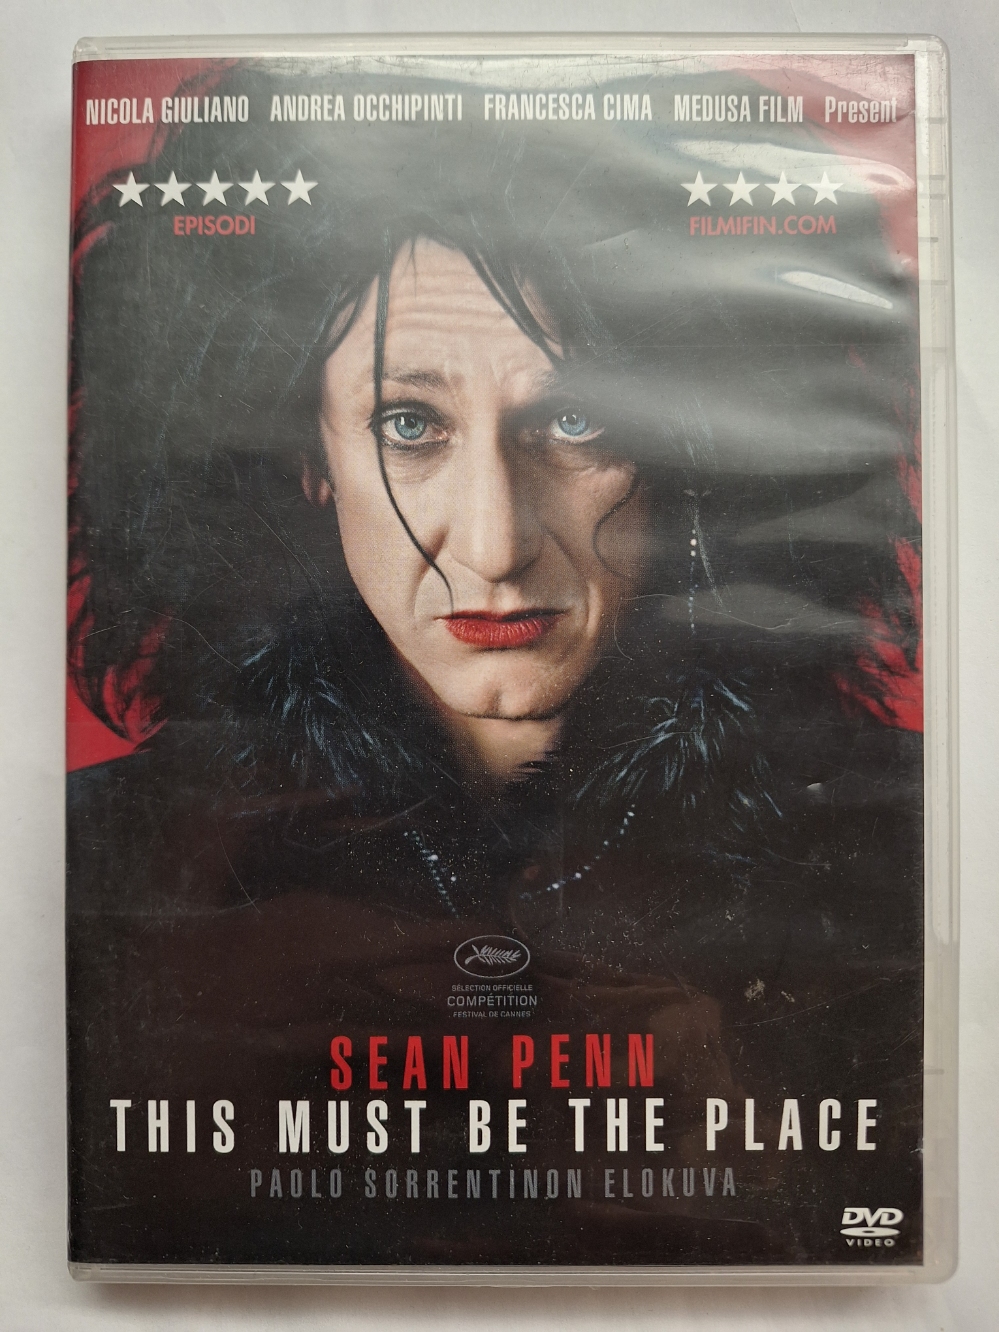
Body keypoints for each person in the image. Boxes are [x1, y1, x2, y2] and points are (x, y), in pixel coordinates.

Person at [67, 64, 924, 1267]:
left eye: (577, 422)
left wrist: (763, 1155)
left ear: (686, 450)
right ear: (308, 459)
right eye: (408, 424)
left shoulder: (895, 839)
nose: (497, 543)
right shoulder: (108, 861)